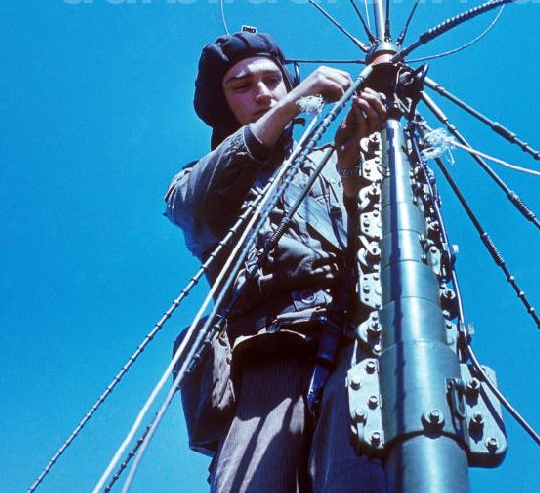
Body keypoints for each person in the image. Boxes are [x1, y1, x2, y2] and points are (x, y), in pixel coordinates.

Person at [165, 29, 388, 493]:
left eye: (273, 81)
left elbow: (375, 248)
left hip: (355, 343)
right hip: (267, 356)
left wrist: (351, 172)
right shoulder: (205, 176)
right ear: (224, 105)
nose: (262, 93)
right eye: (241, 86)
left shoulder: (328, 159)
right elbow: (193, 206)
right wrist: (294, 102)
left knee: (363, 476)